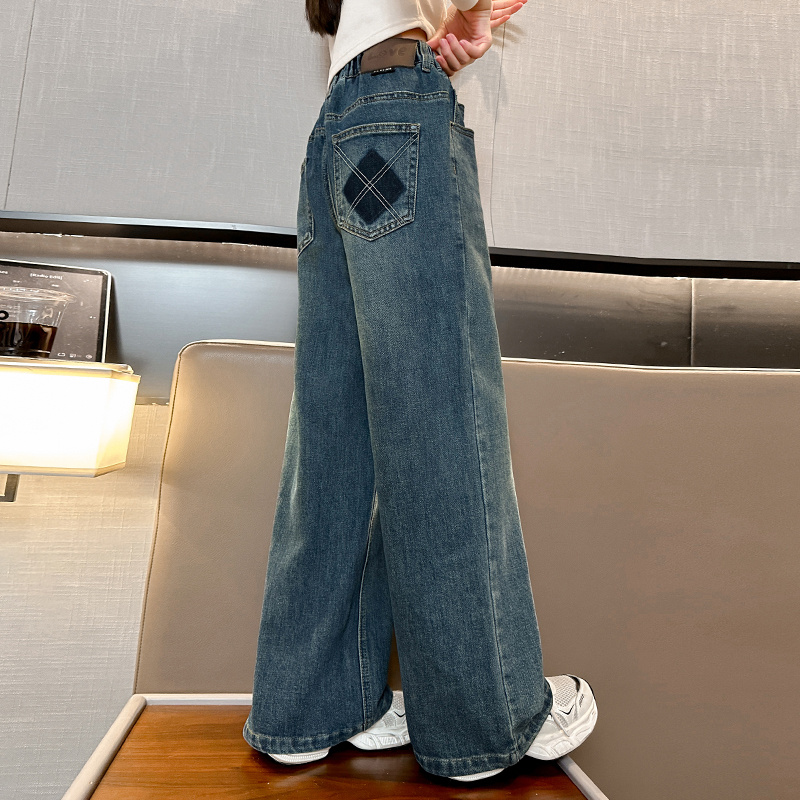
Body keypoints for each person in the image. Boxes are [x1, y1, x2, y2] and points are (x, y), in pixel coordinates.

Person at [243, 0, 598, 782]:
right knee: (443, 416)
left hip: (340, 122)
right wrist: (469, 10)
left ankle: (309, 707)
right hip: (397, 107)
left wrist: (448, 28)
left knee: (337, 435)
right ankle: (484, 719)